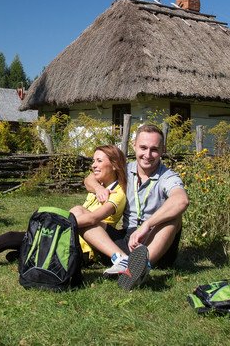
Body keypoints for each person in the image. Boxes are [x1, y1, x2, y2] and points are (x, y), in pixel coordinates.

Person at [0, 145, 128, 269]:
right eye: (93, 160)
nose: (93, 165)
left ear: (114, 165)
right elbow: (88, 178)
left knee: (17, 239)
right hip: (63, 237)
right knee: (12, 237)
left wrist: (54, 222)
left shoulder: (118, 194)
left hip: (79, 250)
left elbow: (93, 219)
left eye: (99, 161)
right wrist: (96, 186)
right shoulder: (99, 185)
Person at [80, 124, 189, 291]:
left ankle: (141, 267)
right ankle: (122, 260)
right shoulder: (125, 170)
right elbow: (90, 178)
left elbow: (181, 200)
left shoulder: (167, 176)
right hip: (127, 238)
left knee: (174, 217)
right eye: (143, 148)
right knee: (82, 214)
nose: (148, 155)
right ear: (134, 146)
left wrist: (146, 225)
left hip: (155, 240)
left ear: (162, 150)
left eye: (154, 149)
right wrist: (99, 188)